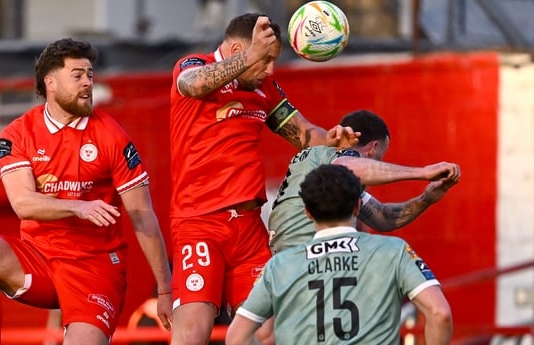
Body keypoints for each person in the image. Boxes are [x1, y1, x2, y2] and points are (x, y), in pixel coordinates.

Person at [0, 38, 172, 345]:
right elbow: (22, 203)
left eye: (90, 75)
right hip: (41, 260)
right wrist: (77, 207)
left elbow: (143, 216)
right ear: (51, 83)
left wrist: (165, 290)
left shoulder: (112, 135)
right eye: (77, 75)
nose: (87, 83)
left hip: (95, 268)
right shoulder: (18, 134)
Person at [168, 12, 359, 345]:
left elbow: (302, 133)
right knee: (192, 331)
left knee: (269, 331)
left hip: (249, 227)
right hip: (200, 221)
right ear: (241, 48)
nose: (270, 69)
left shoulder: (263, 87)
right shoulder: (193, 65)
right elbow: (194, 84)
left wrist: (331, 138)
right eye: (266, 59)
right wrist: (253, 56)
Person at [227, 164, 453, 345]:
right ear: (357, 206)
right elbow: (439, 314)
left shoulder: (280, 265)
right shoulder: (393, 251)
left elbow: (236, 338)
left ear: (307, 212)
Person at [268, 109, 461, 253]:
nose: (379, 163)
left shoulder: (325, 170)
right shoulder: (338, 157)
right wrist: (423, 172)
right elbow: (350, 166)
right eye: (380, 156)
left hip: (284, 260)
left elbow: (384, 217)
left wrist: (426, 199)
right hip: (302, 257)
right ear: (373, 147)